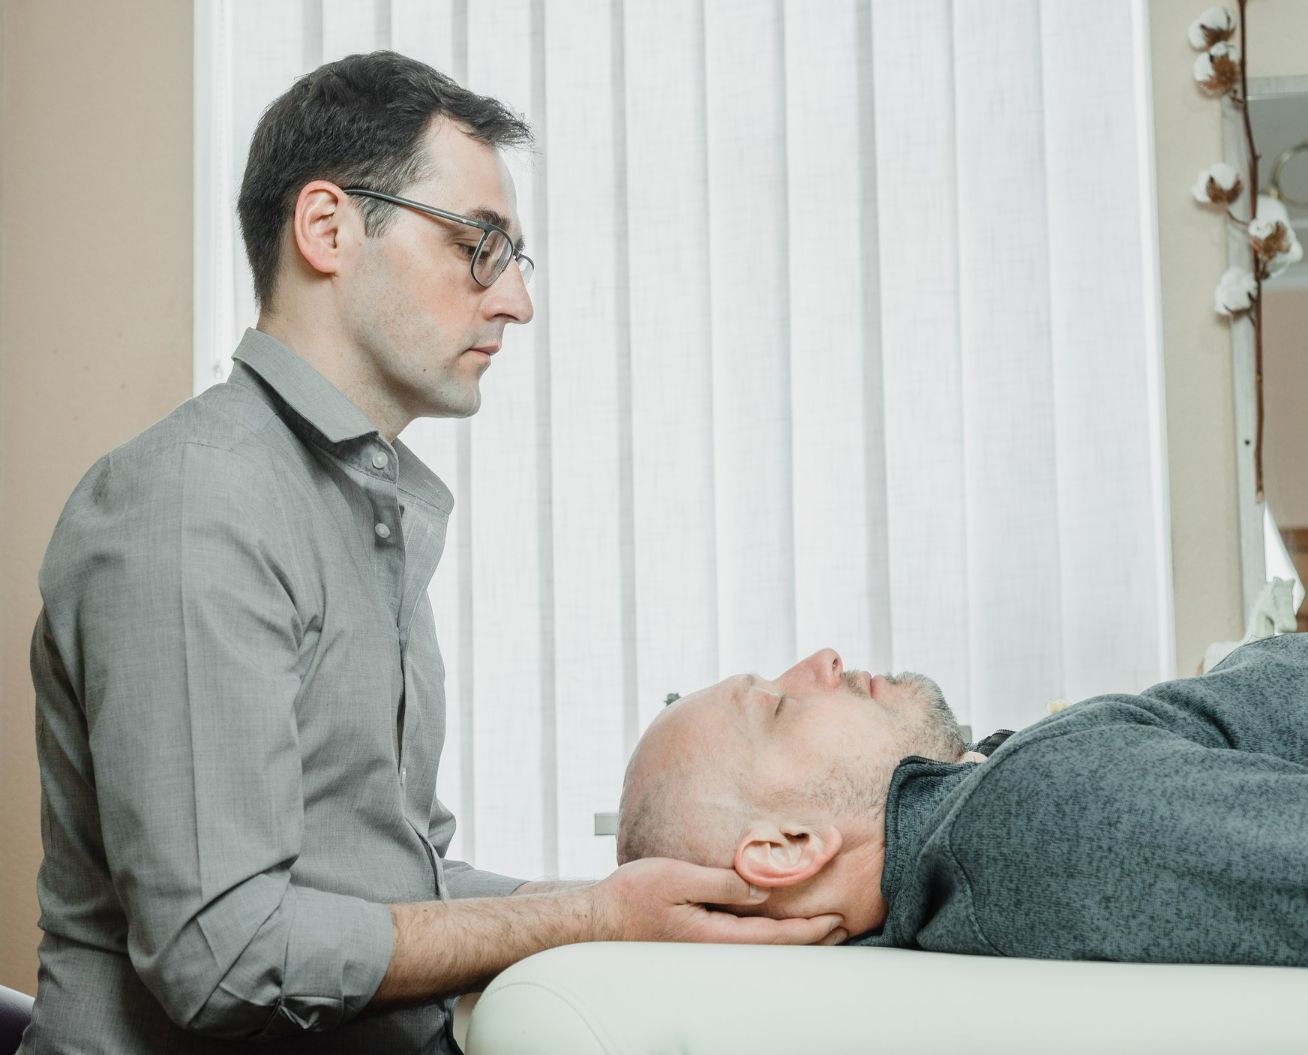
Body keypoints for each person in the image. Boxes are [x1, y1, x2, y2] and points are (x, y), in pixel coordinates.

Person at [24, 51, 838, 1055]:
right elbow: (223, 953)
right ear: (326, 228)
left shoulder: (364, 500)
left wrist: (654, 907)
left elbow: (384, 888)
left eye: (514, 260)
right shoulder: (201, 499)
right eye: (477, 246)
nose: (514, 302)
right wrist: (597, 916)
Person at [618, 631, 1308, 974]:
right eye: (774, 703)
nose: (822, 658)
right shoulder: (1038, 815)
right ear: (788, 845)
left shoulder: (989, 813)